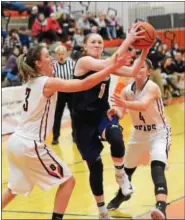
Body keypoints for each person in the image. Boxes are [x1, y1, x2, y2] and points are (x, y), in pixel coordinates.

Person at [1, 45, 131, 220]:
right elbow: (84, 83)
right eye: (48, 56)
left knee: (13, 189)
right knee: (68, 181)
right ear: (39, 64)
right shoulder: (47, 82)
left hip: (15, 143)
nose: (52, 59)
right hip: (30, 145)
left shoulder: (30, 82)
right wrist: (112, 68)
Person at [72, 23, 149, 219]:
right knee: (95, 166)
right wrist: (129, 39)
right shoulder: (84, 62)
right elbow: (110, 64)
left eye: (100, 41)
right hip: (82, 123)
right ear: (86, 46)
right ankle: (102, 211)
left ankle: (120, 174)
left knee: (116, 137)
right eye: (93, 42)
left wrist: (145, 50)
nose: (97, 44)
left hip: (102, 114)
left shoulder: (108, 62)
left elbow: (133, 72)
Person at [108, 59, 171, 220]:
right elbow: (122, 113)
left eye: (141, 67)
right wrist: (115, 112)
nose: (137, 69)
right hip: (139, 133)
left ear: (148, 72)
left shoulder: (152, 87)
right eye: (135, 66)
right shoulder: (127, 90)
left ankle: (161, 208)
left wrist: (124, 103)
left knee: (157, 167)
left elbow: (143, 105)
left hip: (158, 132)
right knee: (126, 170)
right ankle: (123, 194)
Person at [52, 45, 76, 145]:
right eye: (59, 54)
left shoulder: (72, 63)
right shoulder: (54, 66)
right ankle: (55, 137)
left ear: (65, 54)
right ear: (56, 55)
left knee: (74, 114)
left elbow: (76, 76)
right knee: (57, 115)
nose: (61, 56)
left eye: (62, 54)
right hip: (60, 93)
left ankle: (75, 135)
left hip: (71, 91)